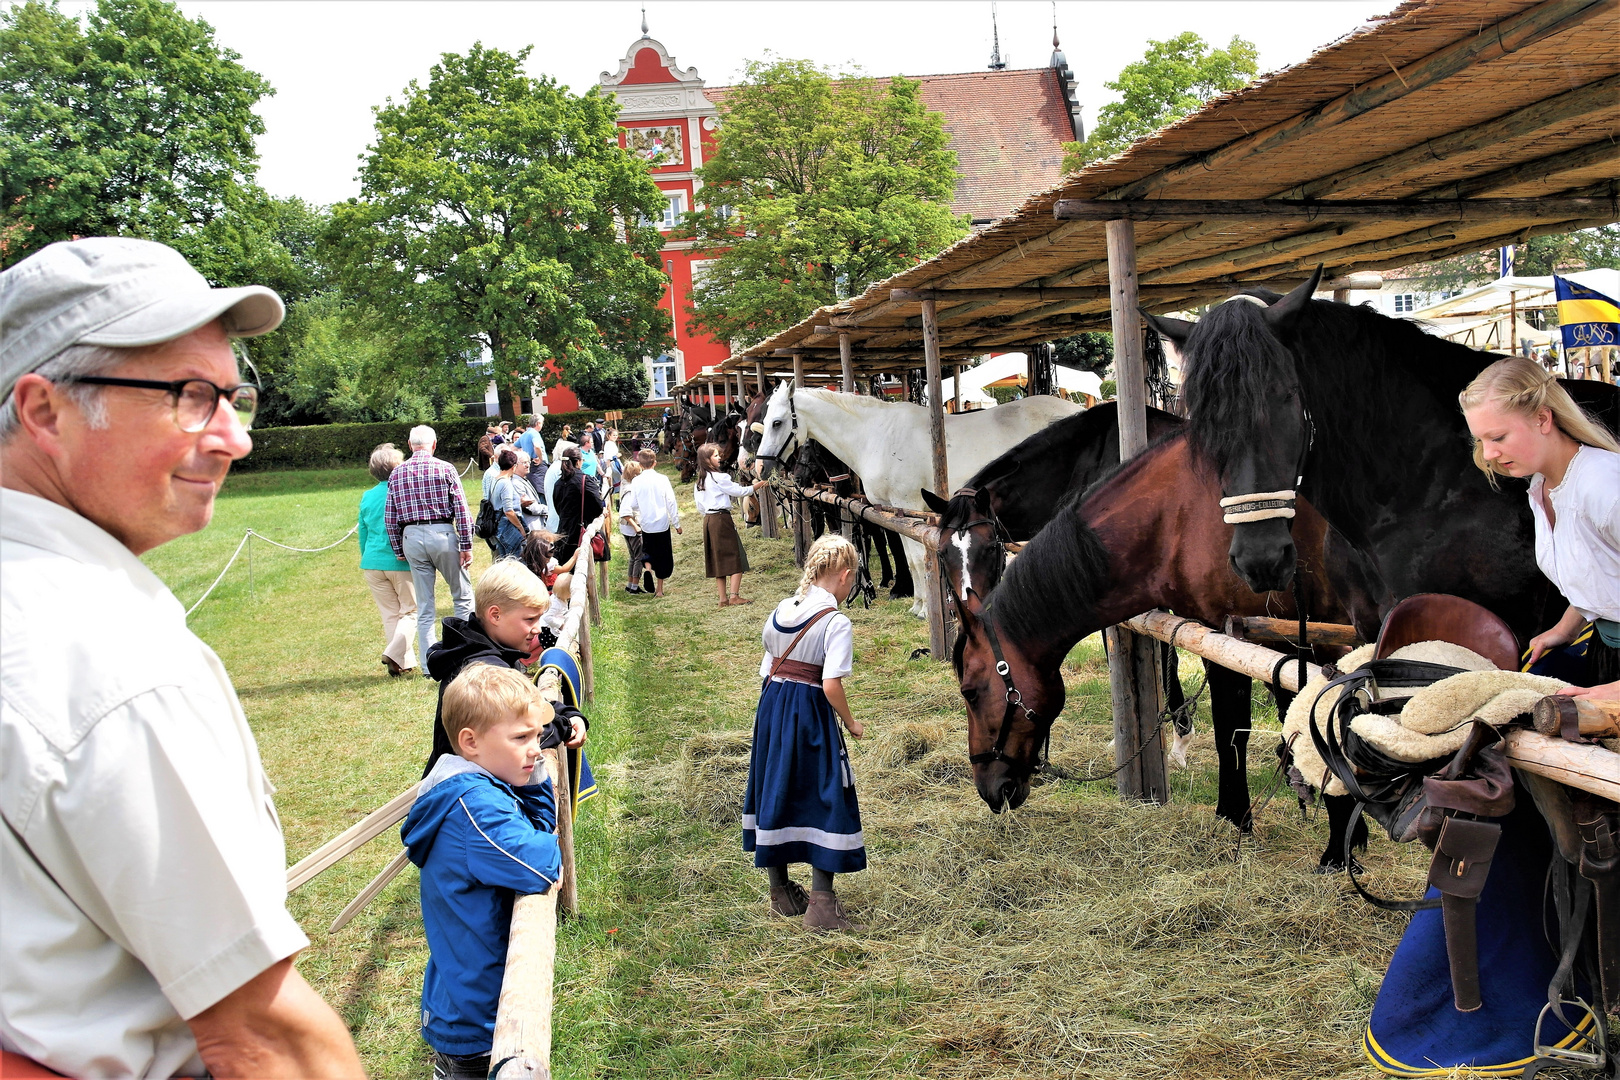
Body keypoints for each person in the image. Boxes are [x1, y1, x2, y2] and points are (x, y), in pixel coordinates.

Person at [0, 236, 363, 1076]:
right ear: (44, 409)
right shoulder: (103, 660)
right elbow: (263, 1036)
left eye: (235, 397)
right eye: (190, 397)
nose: (234, 438)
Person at [403, 663, 564, 1080]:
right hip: (479, 1009)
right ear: (470, 743)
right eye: (521, 738)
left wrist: (534, 777)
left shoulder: (482, 783)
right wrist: (542, 837)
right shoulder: (476, 807)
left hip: (465, 991)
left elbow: (540, 828)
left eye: (537, 737)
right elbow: (541, 862)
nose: (536, 749)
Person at [1461, 356, 1620, 697]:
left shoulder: (1604, 484)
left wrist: (1614, 692)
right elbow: (1604, 572)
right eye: (1481, 441)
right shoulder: (1542, 487)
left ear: (1542, 418)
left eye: (1498, 437)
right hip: (1606, 653)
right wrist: (1564, 628)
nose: (1488, 453)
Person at [743, 534, 867, 932]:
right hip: (810, 710)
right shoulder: (836, 622)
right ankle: (821, 906)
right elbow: (831, 684)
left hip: (773, 706)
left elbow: (766, 668)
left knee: (774, 787)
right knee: (825, 792)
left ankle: (779, 893)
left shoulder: (782, 609)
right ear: (845, 576)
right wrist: (851, 722)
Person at [422, 558, 585, 776]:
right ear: (495, 615)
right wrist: (565, 726)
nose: (537, 629)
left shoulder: (496, 653)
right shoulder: (484, 671)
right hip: (470, 793)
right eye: (530, 619)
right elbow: (521, 729)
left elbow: (529, 704)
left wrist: (569, 714)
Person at [386, 423, 475, 668]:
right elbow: (462, 509)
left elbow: (390, 516)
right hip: (442, 533)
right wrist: (466, 544)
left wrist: (398, 548)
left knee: (425, 605)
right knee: (462, 597)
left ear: (410, 445)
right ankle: (466, 654)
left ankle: (429, 664)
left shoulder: (397, 473)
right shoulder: (445, 468)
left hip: (411, 536)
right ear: (434, 445)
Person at [361, 442, 419, 676]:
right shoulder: (402, 491)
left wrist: (367, 556)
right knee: (411, 611)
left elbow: (363, 532)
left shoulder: (367, 496)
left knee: (391, 615)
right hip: (399, 561)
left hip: (372, 562)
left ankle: (400, 663)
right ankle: (393, 652)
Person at [694, 441, 768, 607]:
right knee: (735, 556)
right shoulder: (720, 478)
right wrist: (759, 484)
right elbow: (740, 491)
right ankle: (734, 596)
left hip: (708, 520)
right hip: (721, 519)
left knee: (717, 560)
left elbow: (699, 506)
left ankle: (723, 599)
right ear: (707, 460)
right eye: (715, 456)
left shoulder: (700, 481)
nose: (719, 458)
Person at [627, 447, 680, 597]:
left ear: (640, 464)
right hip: (662, 523)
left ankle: (648, 570)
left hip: (646, 524)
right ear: (655, 462)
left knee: (648, 552)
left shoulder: (636, 481)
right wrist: (676, 523)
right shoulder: (663, 479)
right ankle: (660, 590)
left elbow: (633, 504)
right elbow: (671, 501)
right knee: (663, 555)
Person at [552, 446, 604, 568]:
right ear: (578, 461)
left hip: (563, 532)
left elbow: (558, 507)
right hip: (579, 532)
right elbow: (598, 506)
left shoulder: (558, 483)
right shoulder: (585, 480)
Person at [617, 459, 649, 593]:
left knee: (633, 557)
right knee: (639, 557)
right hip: (632, 529)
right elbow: (625, 512)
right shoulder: (630, 491)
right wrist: (636, 526)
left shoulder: (626, 486)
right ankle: (634, 586)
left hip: (627, 528)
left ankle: (630, 584)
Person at [491, 448, 528, 559]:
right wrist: (521, 528)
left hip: (498, 527)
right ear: (514, 466)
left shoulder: (495, 479)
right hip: (507, 527)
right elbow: (508, 511)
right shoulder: (506, 483)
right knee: (515, 561)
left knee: (504, 561)